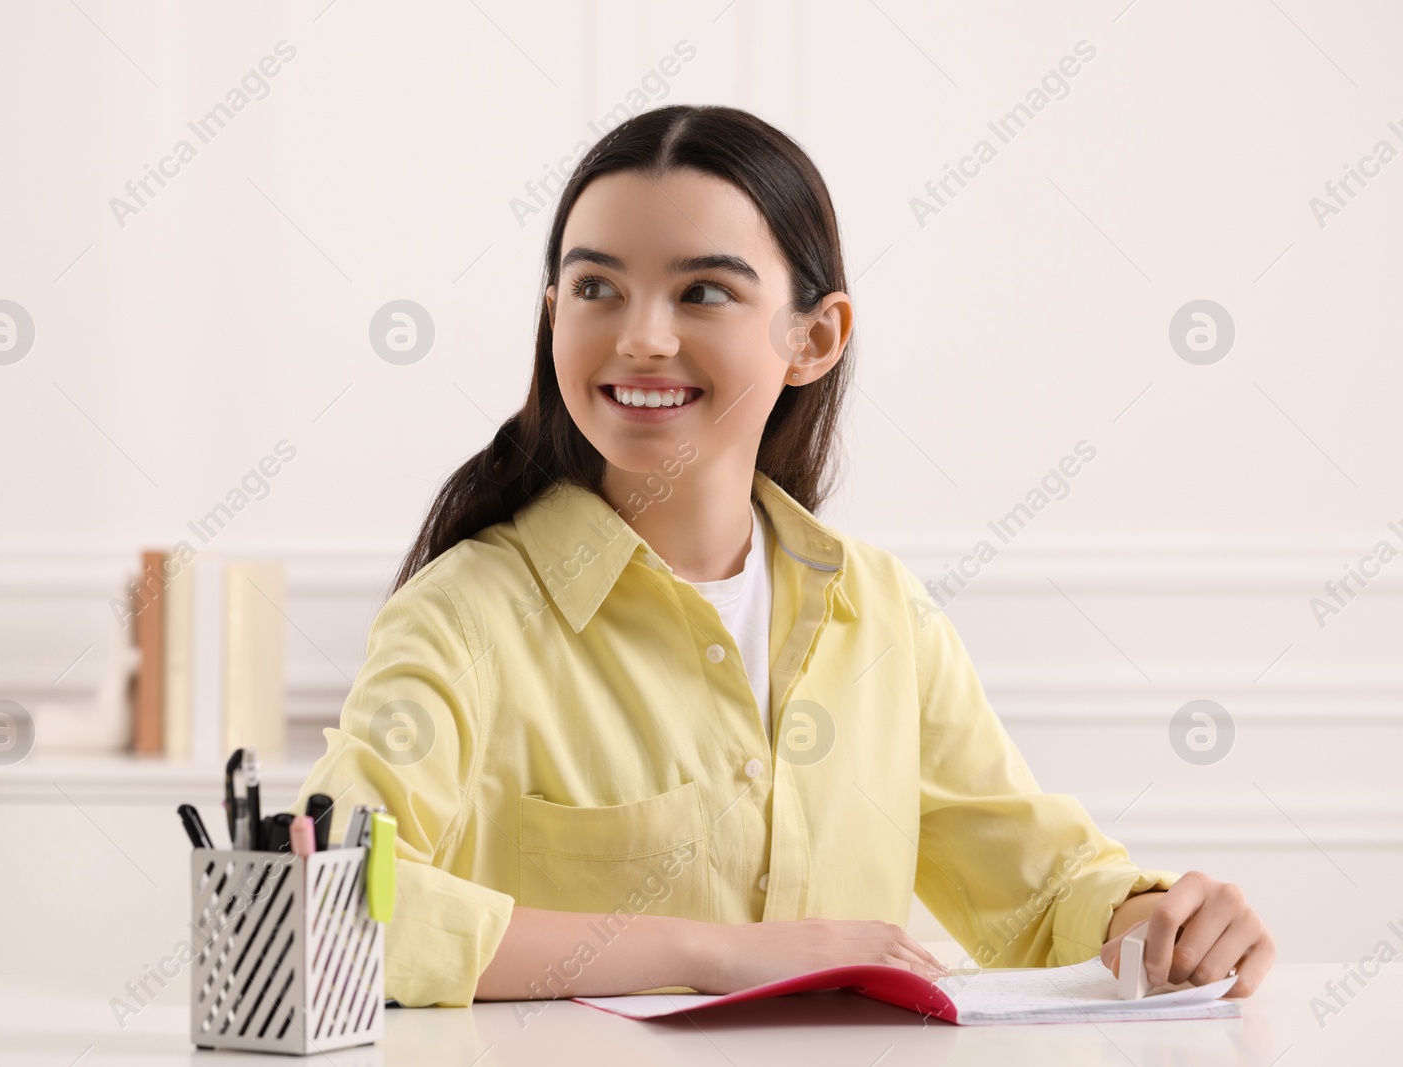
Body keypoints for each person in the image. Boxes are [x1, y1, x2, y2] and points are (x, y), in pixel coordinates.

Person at [290, 104, 1274, 1008]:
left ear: (814, 336)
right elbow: (319, 915)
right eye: (596, 287)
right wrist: (712, 954)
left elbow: (1036, 880)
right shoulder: (465, 614)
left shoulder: (880, 610)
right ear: (554, 317)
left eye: (703, 290)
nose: (638, 336)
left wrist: (1148, 923)